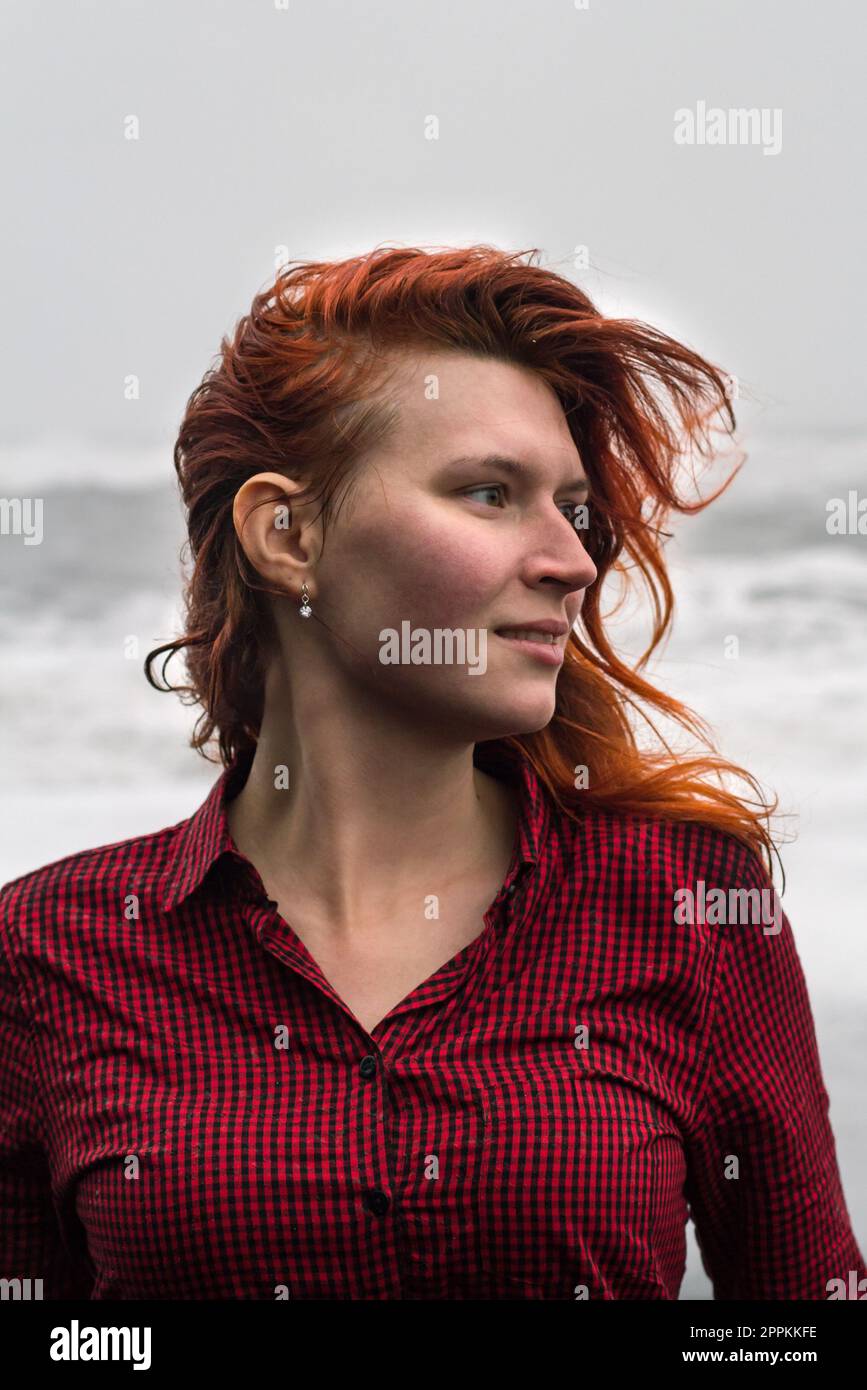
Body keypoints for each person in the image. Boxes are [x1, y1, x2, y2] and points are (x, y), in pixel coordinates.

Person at [1, 245, 863, 1300]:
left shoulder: (688, 910)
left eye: (571, 507)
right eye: (490, 493)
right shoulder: (47, 950)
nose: (573, 560)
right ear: (289, 534)